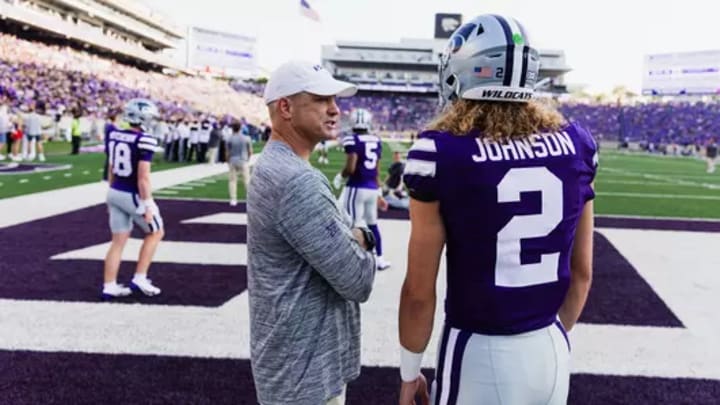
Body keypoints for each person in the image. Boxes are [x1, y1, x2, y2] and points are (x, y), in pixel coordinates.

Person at [398, 14, 597, 405]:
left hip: (479, 352)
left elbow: (419, 292)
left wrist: (409, 372)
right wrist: (544, 337)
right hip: (552, 350)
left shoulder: (440, 152)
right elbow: (582, 274)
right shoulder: (577, 143)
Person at [247, 60, 377, 405]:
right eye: (320, 99)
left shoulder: (275, 165)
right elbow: (356, 279)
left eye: (334, 100)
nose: (334, 109)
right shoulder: (297, 181)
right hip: (305, 373)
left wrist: (349, 237)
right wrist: (364, 237)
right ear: (286, 107)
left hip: (292, 359)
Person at [102, 99, 165, 299]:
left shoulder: (114, 134)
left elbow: (111, 166)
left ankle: (109, 285)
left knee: (118, 241)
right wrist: (148, 204)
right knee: (156, 232)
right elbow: (143, 177)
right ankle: (140, 277)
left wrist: (110, 192)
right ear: (143, 118)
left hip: (115, 191)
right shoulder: (145, 139)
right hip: (132, 194)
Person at [334, 108, 391, 270]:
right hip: (372, 188)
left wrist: (340, 176)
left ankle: (351, 261)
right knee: (372, 224)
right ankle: (379, 258)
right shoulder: (376, 140)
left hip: (356, 187)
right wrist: (379, 192)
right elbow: (377, 170)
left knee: (352, 224)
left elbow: (351, 167)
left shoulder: (352, 140)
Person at [226, 121, 253, 206]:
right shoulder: (246, 138)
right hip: (243, 160)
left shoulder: (229, 138)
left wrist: (228, 161)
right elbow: (250, 151)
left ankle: (233, 199)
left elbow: (227, 152)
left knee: (232, 181)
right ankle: (250, 199)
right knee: (247, 181)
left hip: (233, 160)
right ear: (240, 128)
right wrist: (248, 159)